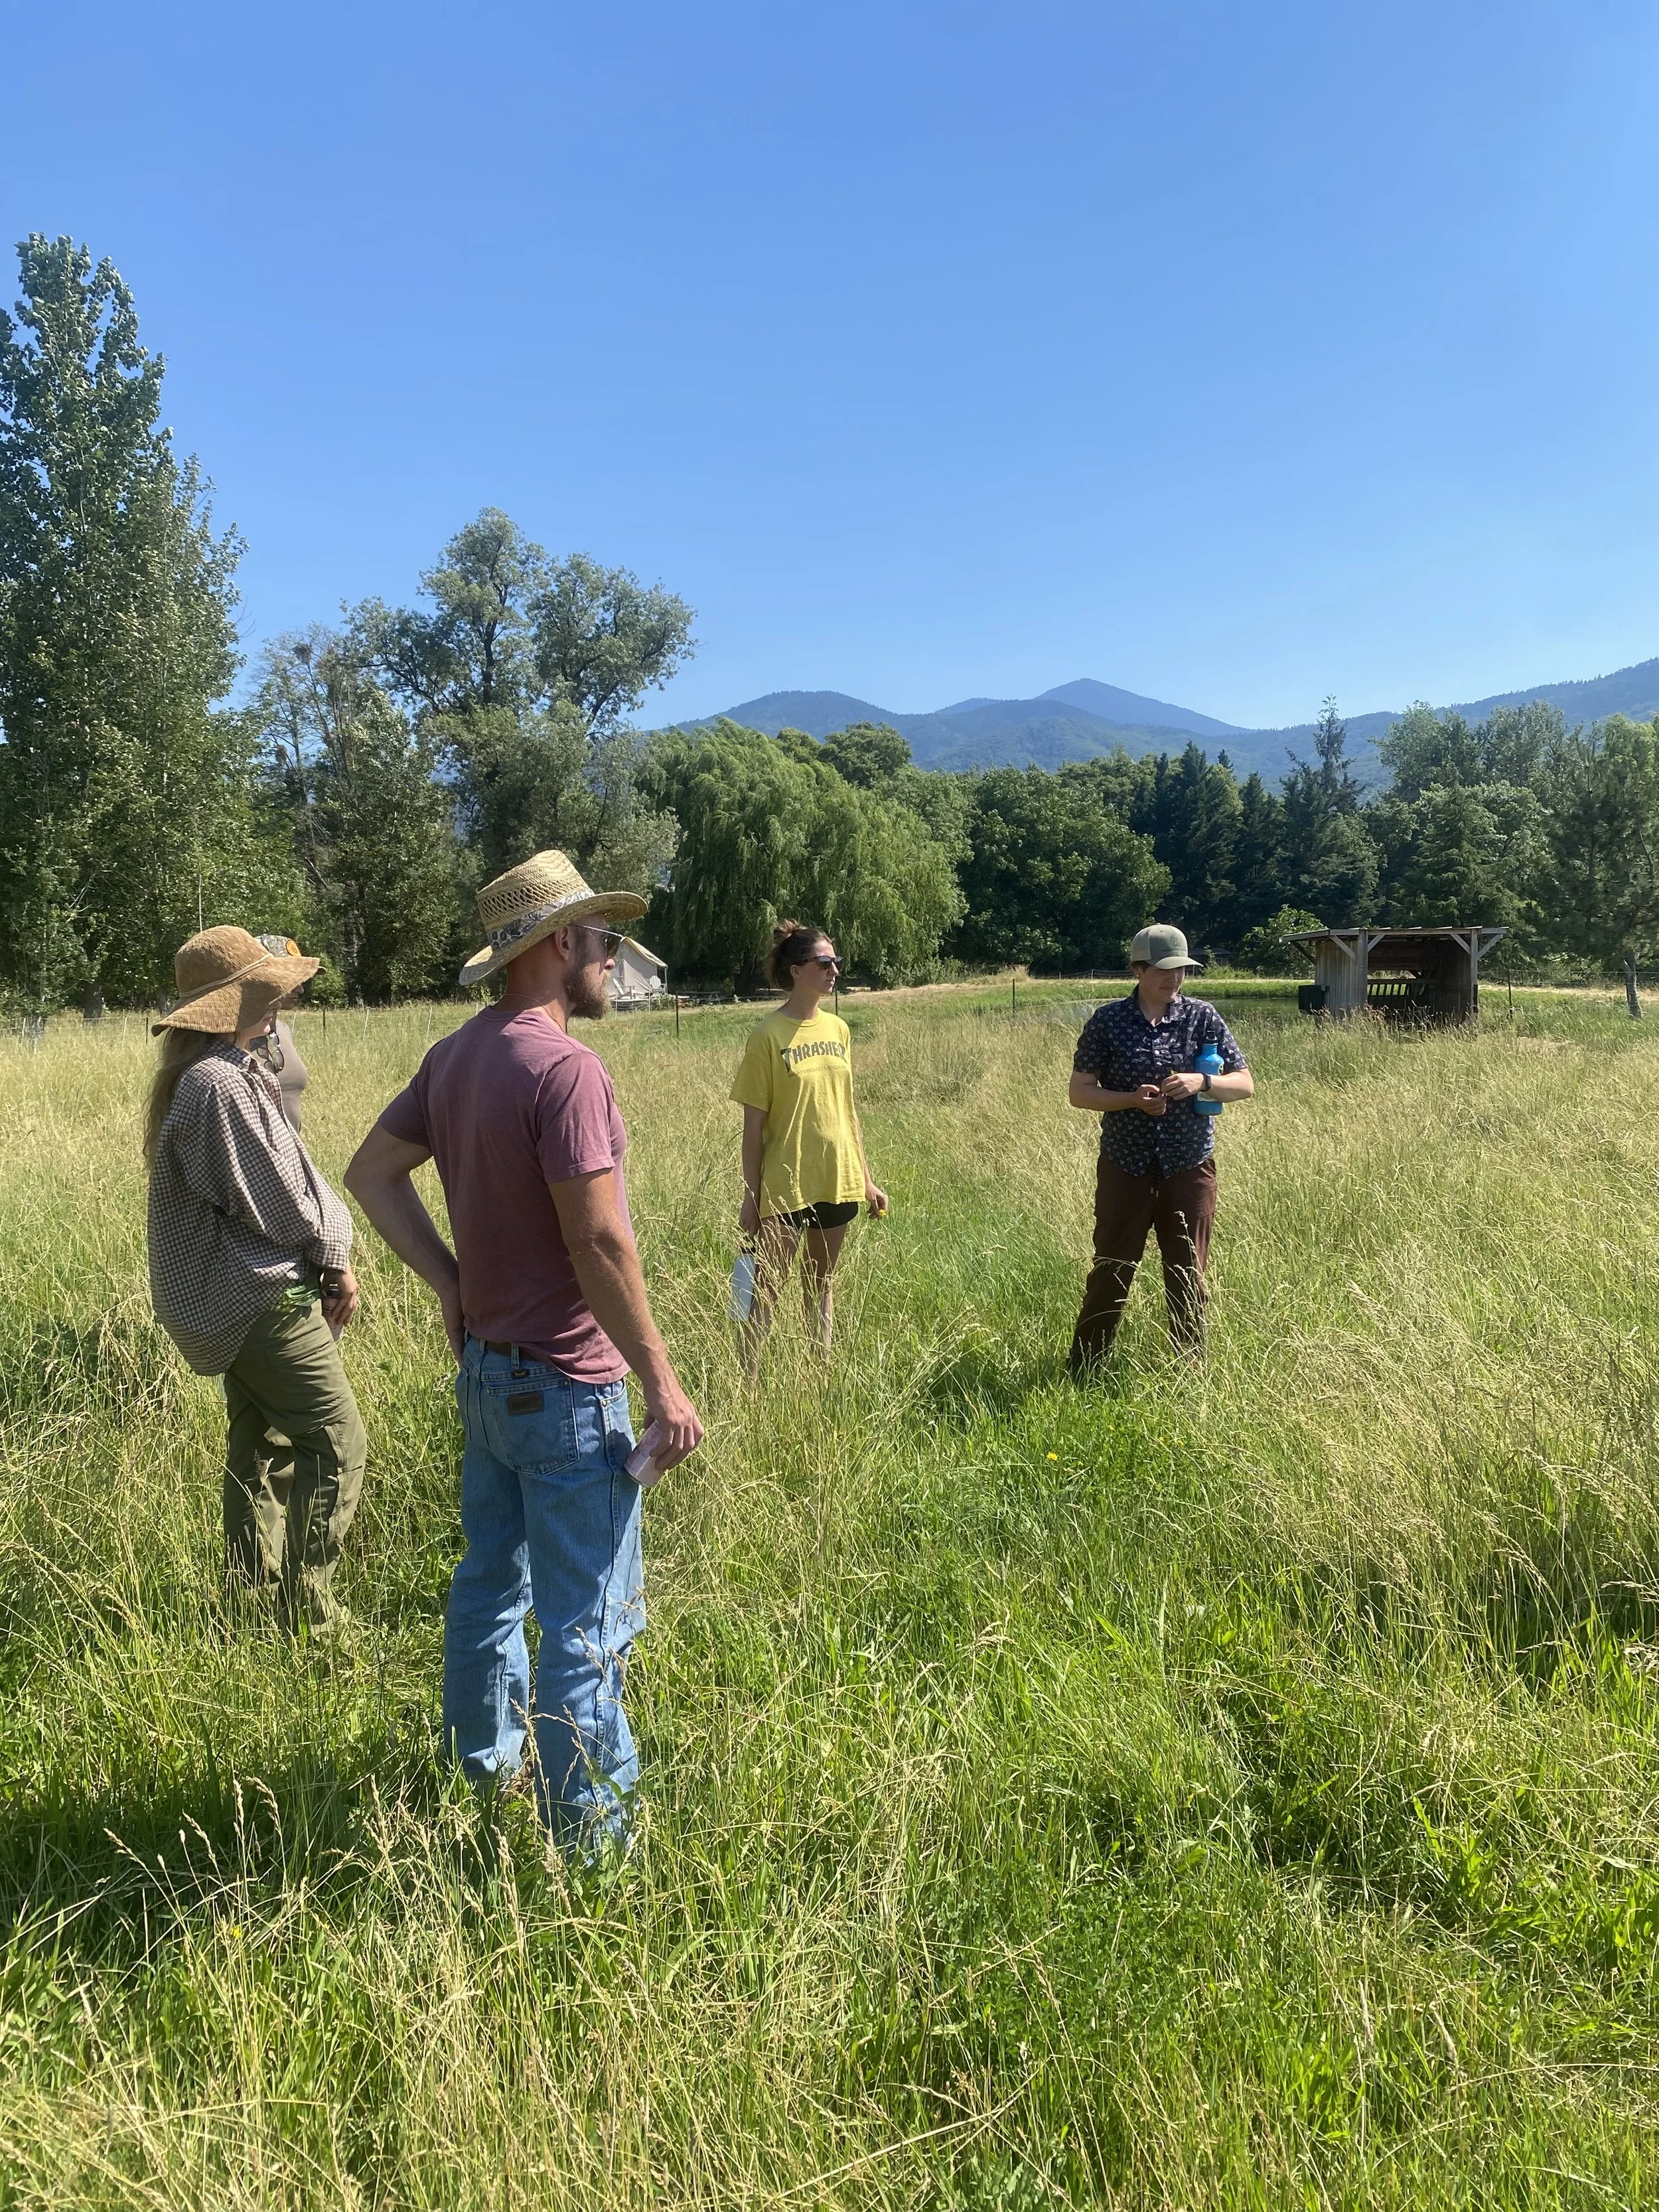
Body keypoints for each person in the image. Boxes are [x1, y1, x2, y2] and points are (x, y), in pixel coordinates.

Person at [344, 849, 704, 1848]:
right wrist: (663, 1382)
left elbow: (371, 1175)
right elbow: (598, 1239)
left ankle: (483, 1768)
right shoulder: (566, 1067)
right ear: (558, 945)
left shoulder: (456, 1055)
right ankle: (591, 1850)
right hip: (570, 1387)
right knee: (585, 1622)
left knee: (488, 1581)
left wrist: (453, 1279)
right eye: (602, 938)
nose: (611, 958)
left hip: (490, 1374)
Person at [144, 926, 366, 1630]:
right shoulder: (218, 1083)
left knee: (261, 1446)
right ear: (224, 1007)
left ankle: (248, 1600)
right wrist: (335, 1253)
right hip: (260, 1296)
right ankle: (311, 1613)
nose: (274, 1002)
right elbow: (281, 1200)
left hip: (232, 1299)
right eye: (260, 992)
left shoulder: (216, 1074)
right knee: (335, 1441)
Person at [1067, 922, 1254, 1369]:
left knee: (1188, 1274)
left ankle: (1189, 1373)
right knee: (1111, 1269)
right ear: (1139, 968)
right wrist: (1132, 1100)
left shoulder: (1202, 1017)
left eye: (1181, 970)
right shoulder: (1108, 1021)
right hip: (1125, 1166)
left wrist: (1202, 1081)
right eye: (1164, 970)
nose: (1174, 979)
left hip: (1188, 1167)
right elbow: (1080, 1092)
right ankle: (1086, 1368)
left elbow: (1245, 1084)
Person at [729, 921, 887, 1364]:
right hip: (785, 1182)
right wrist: (751, 1196)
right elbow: (753, 1125)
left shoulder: (839, 1029)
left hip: (837, 1176)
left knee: (821, 1286)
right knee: (766, 1289)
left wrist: (867, 1181)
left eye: (836, 961)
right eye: (824, 962)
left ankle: (818, 1378)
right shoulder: (767, 1035)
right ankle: (749, 1386)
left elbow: (848, 1112)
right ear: (797, 970)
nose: (834, 969)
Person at [250, 932, 311, 1134]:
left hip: (290, 1159)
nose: (300, 989)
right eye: (288, 978)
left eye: (300, 979)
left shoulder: (283, 1030)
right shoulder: (230, 1038)